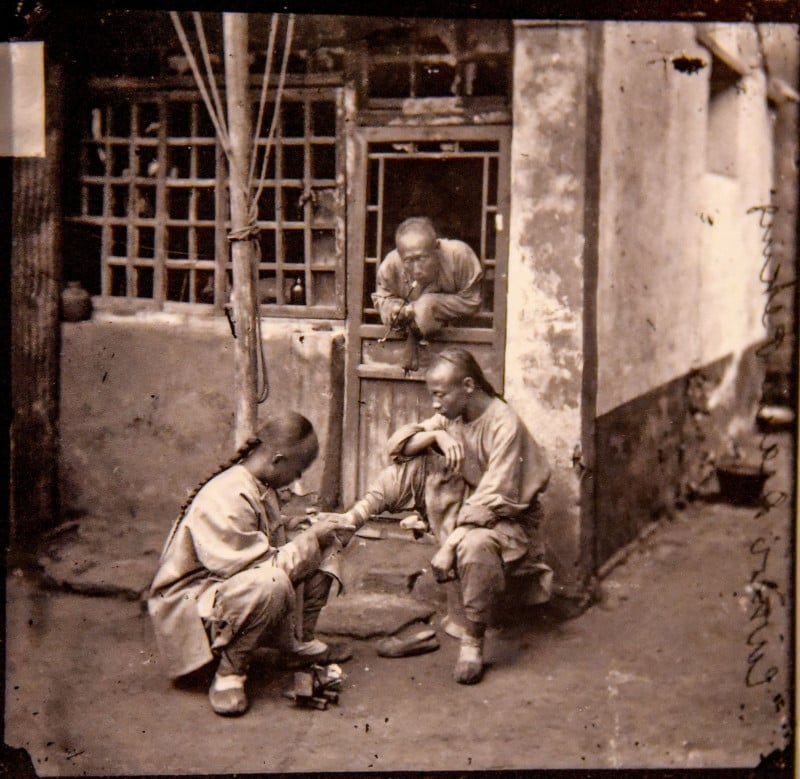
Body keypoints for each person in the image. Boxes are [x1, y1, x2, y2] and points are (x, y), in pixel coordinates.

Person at [331, 348, 552, 685]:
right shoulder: (453, 417)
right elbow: (396, 447)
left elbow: (494, 497)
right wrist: (435, 435)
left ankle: (472, 641)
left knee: (475, 545)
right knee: (413, 462)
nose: (435, 403)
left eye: (439, 394)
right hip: (466, 504)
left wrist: (450, 545)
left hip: (507, 520)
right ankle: (351, 521)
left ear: (467, 385)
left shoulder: (503, 423)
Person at [147, 413, 353, 717]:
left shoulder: (257, 481)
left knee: (325, 544)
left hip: (227, 587)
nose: (297, 483)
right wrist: (309, 536)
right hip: (192, 604)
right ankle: (229, 673)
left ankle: (297, 642)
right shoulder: (228, 493)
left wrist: (294, 525)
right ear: (277, 460)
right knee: (271, 583)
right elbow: (260, 568)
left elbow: (258, 537)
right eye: (297, 472)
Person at [372, 218, 483, 369]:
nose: (416, 269)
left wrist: (429, 305)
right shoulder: (391, 265)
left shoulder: (459, 255)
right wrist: (394, 309)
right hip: (409, 348)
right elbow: (382, 298)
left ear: (437, 247)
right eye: (408, 261)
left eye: (421, 258)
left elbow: (473, 301)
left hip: (461, 345)